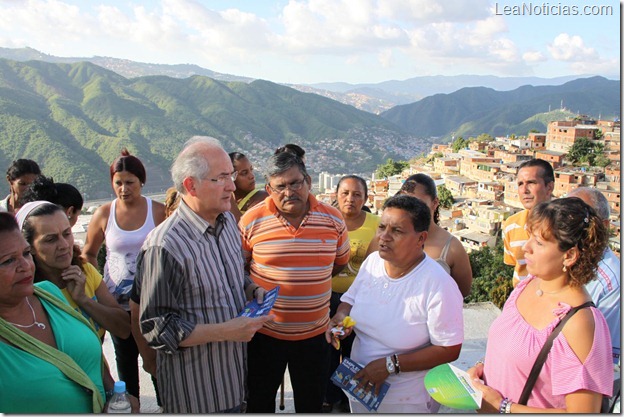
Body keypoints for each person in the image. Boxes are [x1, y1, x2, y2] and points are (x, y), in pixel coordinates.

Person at [136, 136, 272, 413]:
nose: (232, 186)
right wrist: (225, 331)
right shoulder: (166, 245)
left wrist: (251, 291)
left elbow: (233, 279)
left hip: (236, 384)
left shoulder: (228, 225)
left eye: (231, 176)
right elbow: (156, 329)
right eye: (221, 178)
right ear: (191, 185)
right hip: (196, 396)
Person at [467, 198, 613, 412]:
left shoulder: (578, 322)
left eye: (539, 242)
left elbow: (584, 411)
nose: (526, 247)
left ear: (570, 255)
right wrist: (484, 370)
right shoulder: (526, 286)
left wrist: (503, 407)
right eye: (530, 237)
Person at [326, 195, 464, 413]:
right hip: (360, 386)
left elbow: (449, 348)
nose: (384, 237)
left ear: (421, 239)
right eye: (382, 227)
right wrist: (341, 318)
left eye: (397, 231)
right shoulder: (373, 262)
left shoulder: (437, 284)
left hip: (407, 399)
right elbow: (349, 300)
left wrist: (390, 365)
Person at [240, 151, 350, 413]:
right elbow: (240, 268)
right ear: (269, 189)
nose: (289, 191)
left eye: (295, 183)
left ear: (308, 181)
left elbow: (340, 263)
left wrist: (310, 280)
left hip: (314, 337)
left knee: (310, 405)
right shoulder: (251, 220)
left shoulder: (334, 219)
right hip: (264, 335)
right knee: (259, 403)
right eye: (280, 186)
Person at [0, 212, 138, 413]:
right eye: (8, 261)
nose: (25, 266)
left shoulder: (49, 293)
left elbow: (92, 357)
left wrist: (114, 395)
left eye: (25, 253)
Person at [81, 148, 166, 401]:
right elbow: (88, 254)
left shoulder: (159, 212)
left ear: (142, 181)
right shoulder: (104, 214)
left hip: (152, 303)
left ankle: (166, 405)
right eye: (118, 183)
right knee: (125, 362)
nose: (124, 188)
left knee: (156, 361)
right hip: (116, 306)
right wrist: (99, 288)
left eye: (130, 182)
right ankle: (132, 405)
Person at [16, 201, 130, 342]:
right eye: (50, 240)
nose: (64, 245)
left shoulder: (85, 271)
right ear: (29, 247)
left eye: (67, 234)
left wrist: (83, 300)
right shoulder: (27, 294)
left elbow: (124, 328)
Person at [324, 174, 380, 412]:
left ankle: (350, 401)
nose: (350, 199)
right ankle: (329, 398)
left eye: (357, 194)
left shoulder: (376, 224)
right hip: (325, 299)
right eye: (345, 193)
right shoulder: (325, 220)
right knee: (326, 351)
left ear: (366, 198)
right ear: (335, 196)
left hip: (361, 301)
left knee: (354, 352)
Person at [567, 187, 620, 365]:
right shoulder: (562, 261)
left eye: (580, 218)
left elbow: (605, 360)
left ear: (603, 226)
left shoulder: (612, 283)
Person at [397, 173, 473, 297]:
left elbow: (462, 292)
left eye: (417, 203)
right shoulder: (388, 238)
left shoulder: (452, 248)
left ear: (434, 202)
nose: (410, 209)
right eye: (405, 202)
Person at [502, 159, 554, 287]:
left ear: (549, 187)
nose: (524, 190)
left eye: (531, 183)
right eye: (520, 184)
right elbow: (516, 264)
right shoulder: (511, 225)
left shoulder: (563, 225)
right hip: (520, 299)